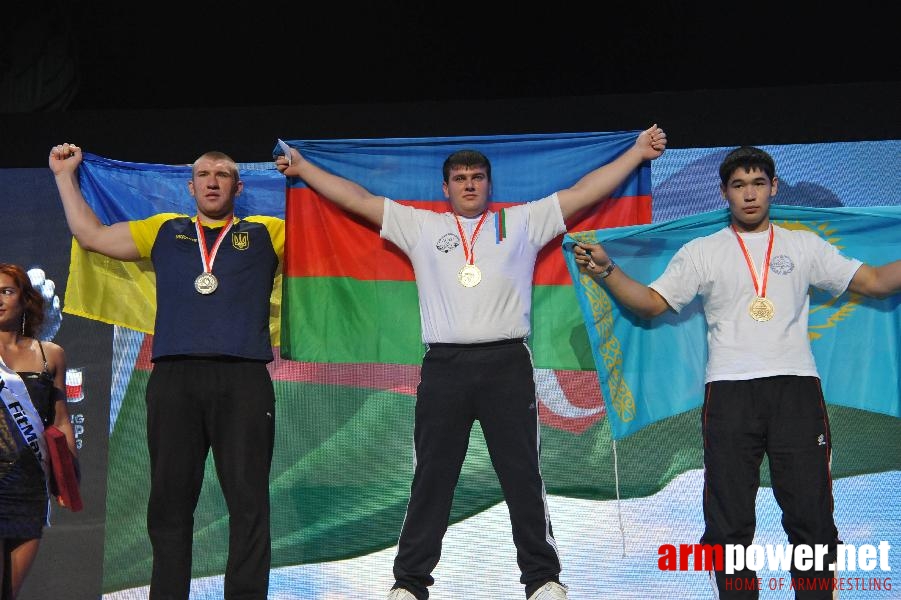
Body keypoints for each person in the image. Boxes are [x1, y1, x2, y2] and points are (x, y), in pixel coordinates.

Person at [275, 125, 667, 600]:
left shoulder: (523, 221)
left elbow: (585, 192)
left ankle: (543, 580)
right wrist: (303, 168)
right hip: (444, 366)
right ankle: (410, 583)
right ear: (445, 187)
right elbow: (357, 198)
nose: (468, 184)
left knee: (522, 474)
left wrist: (636, 153)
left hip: (507, 364)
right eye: (459, 177)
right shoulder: (421, 226)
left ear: (489, 183)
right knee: (432, 477)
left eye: (477, 176)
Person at [574, 145, 901, 599]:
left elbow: (878, 282)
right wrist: (607, 270)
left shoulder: (803, 244)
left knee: (812, 517)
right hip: (729, 395)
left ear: (774, 188)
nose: (750, 194)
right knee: (728, 524)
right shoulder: (703, 251)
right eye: (739, 185)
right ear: (725, 192)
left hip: (795, 391)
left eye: (758, 183)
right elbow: (651, 304)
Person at [49, 144, 284, 600]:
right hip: (175, 381)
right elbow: (91, 236)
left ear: (240, 186)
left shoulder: (268, 232)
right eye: (203, 174)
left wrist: (306, 173)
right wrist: (64, 176)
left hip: (244, 380)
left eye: (222, 174)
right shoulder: (164, 230)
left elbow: (329, 233)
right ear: (190, 186)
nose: (213, 180)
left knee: (249, 503)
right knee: (170, 504)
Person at [0, 263, 78, 600]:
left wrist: (69, 476)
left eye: (7, 291)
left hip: (29, 491)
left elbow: (60, 419)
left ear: (24, 299)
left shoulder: (51, 355)